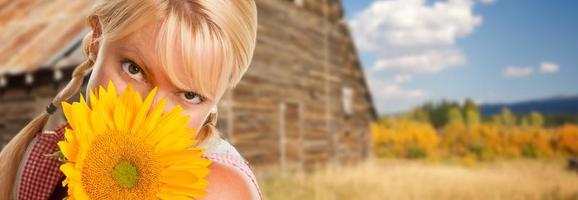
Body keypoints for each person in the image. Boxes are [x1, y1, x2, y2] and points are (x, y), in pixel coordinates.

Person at [0, 0, 261, 199]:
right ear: (97, 39)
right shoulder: (39, 158)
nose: (149, 112)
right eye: (133, 69)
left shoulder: (217, 189)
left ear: (216, 99)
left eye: (190, 96)